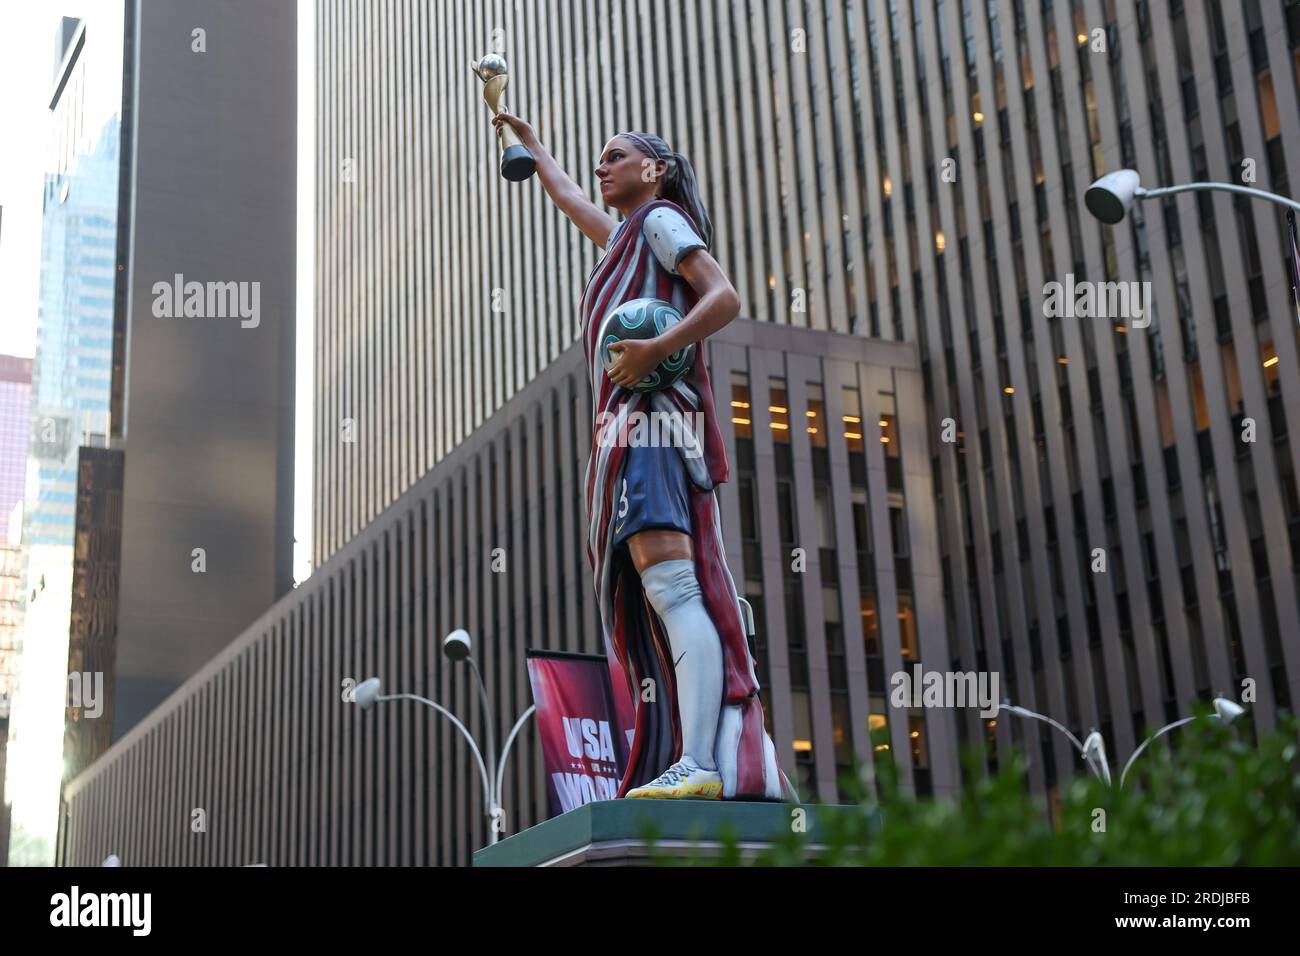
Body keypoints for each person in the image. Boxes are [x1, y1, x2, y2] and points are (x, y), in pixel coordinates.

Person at [493, 111, 790, 801]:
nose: (602, 167)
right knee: (662, 597)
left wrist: (658, 349)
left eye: (615, 156)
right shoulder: (626, 238)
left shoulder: (659, 221)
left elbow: (723, 297)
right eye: (599, 159)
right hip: (627, 437)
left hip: (654, 427)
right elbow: (571, 199)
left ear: (654, 170)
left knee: (675, 589)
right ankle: (697, 754)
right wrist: (534, 149)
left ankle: (704, 761)